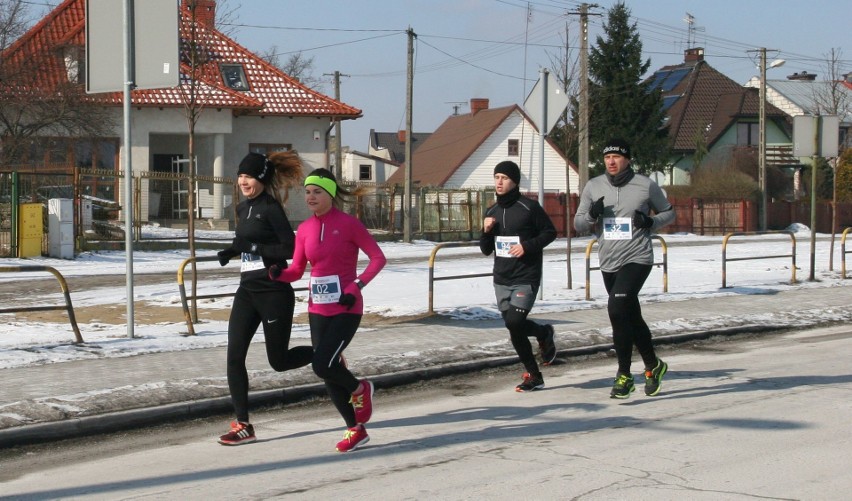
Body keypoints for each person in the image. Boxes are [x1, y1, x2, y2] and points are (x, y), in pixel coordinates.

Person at [270, 168, 386, 453]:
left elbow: (377, 258)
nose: (310, 196)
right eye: (307, 192)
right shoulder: (305, 229)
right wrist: (278, 274)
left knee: (322, 364)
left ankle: (360, 389)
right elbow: (297, 270)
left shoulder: (349, 224)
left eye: (317, 191)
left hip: (347, 307)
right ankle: (355, 430)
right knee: (329, 370)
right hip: (317, 308)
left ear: (330, 194)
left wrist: (355, 286)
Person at [215, 151, 314, 445]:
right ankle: (243, 424)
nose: (243, 181)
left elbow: (290, 249)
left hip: (273, 291)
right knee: (234, 356)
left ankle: (326, 353)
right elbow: (246, 240)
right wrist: (232, 251)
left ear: (261, 179)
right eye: (241, 176)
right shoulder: (243, 208)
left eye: (249, 176)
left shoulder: (271, 208)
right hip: (247, 290)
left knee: (279, 361)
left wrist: (254, 249)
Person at [574, 138, 676, 399]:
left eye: (617, 157)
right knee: (629, 316)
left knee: (617, 307)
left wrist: (649, 221)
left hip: (637, 257)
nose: (611, 161)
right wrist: (592, 216)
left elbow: (669, 213)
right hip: (609, 260)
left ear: (627, 159)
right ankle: (653, 366)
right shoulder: (593, 186)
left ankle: (624, 375)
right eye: (607, 157)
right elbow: (578, 225)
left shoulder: (645, 185)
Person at [479, 160, 558, 393]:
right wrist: (484, 231)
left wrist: (528, 246)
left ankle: (535, 371)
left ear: (514, 181)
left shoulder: (529, 208)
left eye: (504, 178)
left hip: (526, 276)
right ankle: (542, 338)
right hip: (502, 278)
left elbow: (550, 232)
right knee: (514, 326)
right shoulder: (491, 211)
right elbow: (485, 249)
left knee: (515, 323)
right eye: (496, 178)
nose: (499, 182)